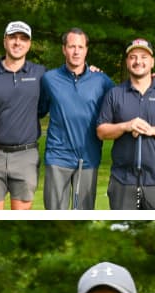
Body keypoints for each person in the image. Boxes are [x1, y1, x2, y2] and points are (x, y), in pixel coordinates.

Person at [96, 39, 155, 210]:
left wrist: (151, 130)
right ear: (127, 62)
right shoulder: (115, 94)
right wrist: (126, 126)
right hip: (123, 180)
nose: (138, 61)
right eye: (133, 57)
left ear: (152, 61)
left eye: (144, 57)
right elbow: (101, 131)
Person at [0, 21, 46, 210]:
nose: (17, 42)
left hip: (26, 155)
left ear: (29, 44)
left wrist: (90, 71)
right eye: (13, 37)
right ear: (4, 41)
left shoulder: (41, 74)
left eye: (23, 39)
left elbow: (68, 79)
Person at [39, 28, 115, 209]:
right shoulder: (49, 79)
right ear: (64, 49)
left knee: (84, 214)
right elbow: (37, 110)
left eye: (80, 47)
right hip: (58, 156)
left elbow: (125, 99)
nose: (76, 51)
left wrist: (153, 82)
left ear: (87, 50)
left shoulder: (101, 81)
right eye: (72, 46)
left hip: (89, 157)